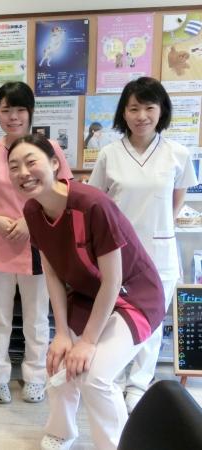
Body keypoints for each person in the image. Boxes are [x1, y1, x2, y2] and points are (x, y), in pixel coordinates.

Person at [7, 133, 165, 450]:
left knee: (95, 377)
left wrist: (88, 341)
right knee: (58, 363)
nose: (23, 172)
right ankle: (61, 431)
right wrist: (62, 333)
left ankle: (116, 445)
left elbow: (113, 280)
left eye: (31, 161)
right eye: (13, 166)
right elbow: (52, 273)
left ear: (54, 164)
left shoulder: (92, 204)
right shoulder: (32, 211)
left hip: (134, 297)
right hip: (87, 295)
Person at [88, 77, 197, 413]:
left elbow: (177, 200)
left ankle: (138, 384)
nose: (141, 116)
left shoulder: (177, 153)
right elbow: (98, 203)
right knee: (116, 318)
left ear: (161, 110)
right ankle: (114, 378)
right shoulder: (109, 154)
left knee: (151, 322)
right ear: (123, 112)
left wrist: (160, 227)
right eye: (133, 108)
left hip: (160, 251)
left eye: (149, 107)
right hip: (117, 254)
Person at [0, 81, 73, 405]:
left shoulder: (48, 147)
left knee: (37, 318)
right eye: (6, 110)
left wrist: (30, 222)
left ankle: (36, 377)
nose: (13, 116)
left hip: (38, 247)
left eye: (19, 109)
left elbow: (64, 191)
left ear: (30, 112)